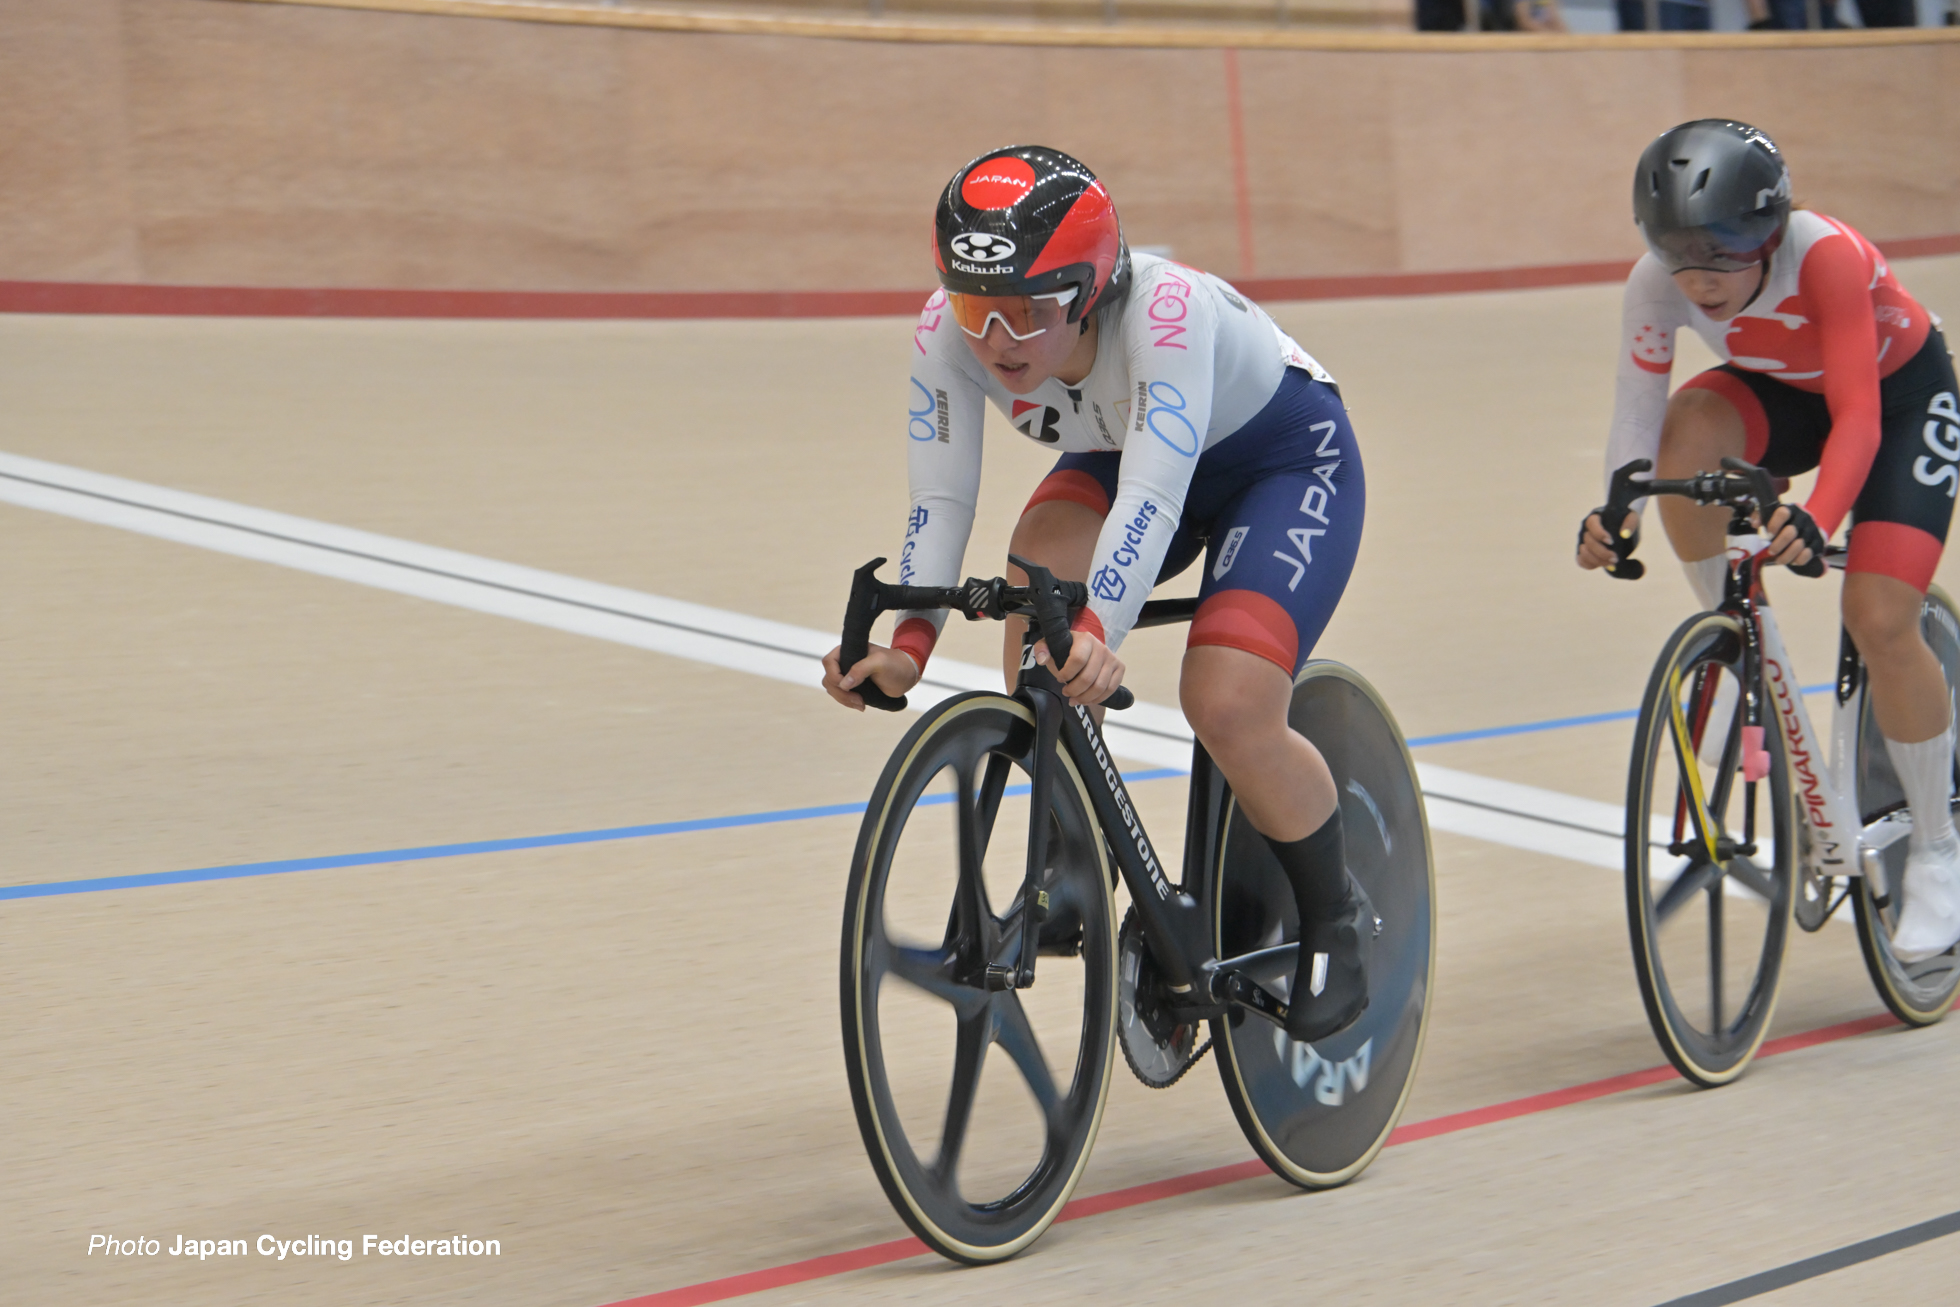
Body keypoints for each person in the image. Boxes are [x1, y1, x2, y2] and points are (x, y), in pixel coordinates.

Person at [820, 145, 1373, 1041]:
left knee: (1225, 702)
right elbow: (941, 500)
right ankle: (1072, 853)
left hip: (1280, 463)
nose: (996, 342)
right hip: (1134, 451)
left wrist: (1097, 627)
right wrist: (908, 646)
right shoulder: (945, 335)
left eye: (1028, 313)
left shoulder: (1166, 313)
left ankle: (1335, 916)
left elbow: (1153, 500)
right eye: (976, 310)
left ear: (1089, 291)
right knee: (1035, 561)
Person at [1577, 120, 1960, 961]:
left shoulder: (1820, 254)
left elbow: (1859, 415)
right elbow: (1638, 414)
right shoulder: (1656, 282)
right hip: (1780, 392)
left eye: (1726, 246)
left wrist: (1819, 515)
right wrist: (1615, 511)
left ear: (1772, 227)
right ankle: (1732, 642)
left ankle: (1936, 846)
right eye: (1680, 248)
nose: (1702, 275)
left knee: (1879, 614)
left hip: (1896, 401)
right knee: (1687, 430)